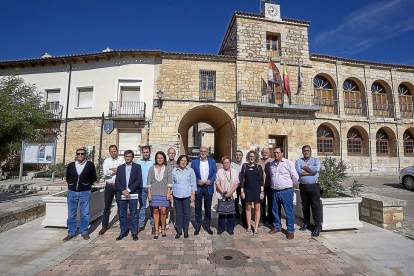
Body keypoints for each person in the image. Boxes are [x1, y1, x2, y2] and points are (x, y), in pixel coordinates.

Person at [63, 148, 97, 241]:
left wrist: (87, 184)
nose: (80, 156)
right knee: (71, 214)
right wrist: (71, 184)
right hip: (72, 192)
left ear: (85, 155)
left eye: (82, 154)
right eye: (78, 154)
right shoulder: (71, 165)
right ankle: (71, 232)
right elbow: (67, 177)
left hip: (85, 192)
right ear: (76, 155)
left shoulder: (90, 165)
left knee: (85, 213)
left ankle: (84, 231)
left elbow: (94, 177)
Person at [267, 146, 299, 239]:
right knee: (275, 210)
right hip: (274, 191)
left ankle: (290, 230)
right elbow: (271, 176)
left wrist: (289, 186)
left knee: (288, 211)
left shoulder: (288, 163)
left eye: (278, 152)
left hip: (286, 191)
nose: (276, 154)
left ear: (282, 153)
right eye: (275, 153)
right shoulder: (271, 164)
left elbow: (295, 177)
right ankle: (277, 226)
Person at [115, 150, 142, 241]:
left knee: (133, 214)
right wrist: (123, 191)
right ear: (124, 157)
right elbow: (117, 181)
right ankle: (123, 231)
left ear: (132, 157)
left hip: (132, 194)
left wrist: (129, 190)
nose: (127, 158)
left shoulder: (137, 167)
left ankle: (134, 232)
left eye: (129, 156)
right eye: (126, 156)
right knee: (122, 214)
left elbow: (138, 180)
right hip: (122, 194)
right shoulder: (120, 168)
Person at [295, 145, 322, 237]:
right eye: (304, 151)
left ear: (310, 151)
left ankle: (317, 227)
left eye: (308, 150)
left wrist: (304, 168)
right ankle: (306, 224)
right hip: (303, 187)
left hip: (314, 187)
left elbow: (317, 169)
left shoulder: (316, 160)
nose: (306, 152)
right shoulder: (299, 161)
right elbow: (298, 172)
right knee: (305, 207)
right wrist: (311, 171)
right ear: (302, 152)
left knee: (315, 207)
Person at [191, 146, 217, 235]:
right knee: (197, 208)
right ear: (199, 153)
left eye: (204, 152)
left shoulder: (212, 161)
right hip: (198, 187)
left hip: (208, 187)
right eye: (201, 151)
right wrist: (197, 180)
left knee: (207, 208)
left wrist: (211, 180)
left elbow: (215, 172)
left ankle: (207, 225)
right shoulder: (194, 162)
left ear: (207, 153)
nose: (203, 153)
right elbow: (192, 174)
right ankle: (197, 226)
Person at [99, 145, 125, 235]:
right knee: (107, 206)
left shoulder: (121, 160)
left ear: (117, 151)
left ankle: (123, 225)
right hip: (109, 186)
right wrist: (116, 170)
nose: (113, 153)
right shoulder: (107, 161)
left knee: (121, 206)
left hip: (119, 186)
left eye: (114, 151)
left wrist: (114, 170)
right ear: (109, 152)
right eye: (111, 151)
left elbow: (122, 171)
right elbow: (106, 172)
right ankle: (104, 226)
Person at [147, 151, 172, 240]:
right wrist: (149, 194)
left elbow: (169, 182)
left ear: (164, 159)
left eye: (161, 158)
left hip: (164, 193)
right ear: (156, 159)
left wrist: (168, 193)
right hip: (154, 193)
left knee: (164, 211)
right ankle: (157, 230)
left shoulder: (168, 168)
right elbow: (149, 183)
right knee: (156, 211)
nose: (160, 159)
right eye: (158, 158)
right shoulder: (151, 168)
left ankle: (163, 228)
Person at [172, 155, 196, 239]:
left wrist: (193, 195)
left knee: (186, 214)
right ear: (179, 161)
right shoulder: (174, 171)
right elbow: (172, 183)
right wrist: (171, 194)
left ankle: (186, 230)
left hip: (186, 195)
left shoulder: (190, 171)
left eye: (185, 161)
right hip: (177, 195)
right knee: (178, 214)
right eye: (182, 160)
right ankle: (179, 231)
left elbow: (193, 183)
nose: (183, 162)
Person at [240, 150, 264, 235]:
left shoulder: (259, 167)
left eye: (253, 156)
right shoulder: (245, 166)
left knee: (257, 208)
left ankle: (256, 228)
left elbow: (261, 180)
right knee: (248, 208)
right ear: (248, 157)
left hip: (257, 191)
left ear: (256, 157)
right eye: (250, 156)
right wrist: (242, 191)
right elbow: (242, 179)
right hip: (247, 190)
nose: (251, 158)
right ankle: (249, 227)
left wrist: (262, 192)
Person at [215, 156, 239, 235]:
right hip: (222, 195)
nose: (226, 164)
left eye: (227, 163)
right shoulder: (220, 171)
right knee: (222, 212)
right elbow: (217, 183)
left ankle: (230, 229)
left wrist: (230, 193)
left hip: (231, 194)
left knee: (231, 213)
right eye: (224, 163)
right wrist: (223, 192)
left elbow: (236, 183)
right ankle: (221, 229)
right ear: (222, 163)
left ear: (230, 163)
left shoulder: (234, 171)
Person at [136, 145, 155, 234]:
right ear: (142, 153)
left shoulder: (153, 162)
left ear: (150, 152)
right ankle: (141, 225)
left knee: (152, 207)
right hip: (141, 187)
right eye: (144, 152)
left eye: (147, 152)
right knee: (142, 207)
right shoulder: (137, 162)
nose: (145, 154)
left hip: (151, 188)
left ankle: (153, 226)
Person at [259, 148, 274, 228]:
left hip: (271, 185)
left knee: (271, 203)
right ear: (261, 153)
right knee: (262, 203)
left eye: (267, 152)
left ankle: (270, 219)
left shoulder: (272, 160)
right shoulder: (258, 161)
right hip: (261, 187)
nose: (265, 153)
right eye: (264, 152)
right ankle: (262, 219)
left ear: (269, 153)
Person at [231, 150, 244, 226]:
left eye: (239, 155)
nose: (238, 156)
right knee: (235, 203)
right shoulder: (232, 165)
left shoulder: (245, 164)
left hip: (243, 187)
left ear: (242, 156)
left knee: (244, 202)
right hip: (235, 186)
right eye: (236, 155)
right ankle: (237, 218)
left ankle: (244, 218)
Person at [166, 147, 177, 229]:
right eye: (170, 153)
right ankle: (166, 221)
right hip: (167, 188)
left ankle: (176, 222)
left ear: (175, 154)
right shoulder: (165, 164)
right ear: (168, 154)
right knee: (167, 205)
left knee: (176, 206)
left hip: (176, 188)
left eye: (173, 153)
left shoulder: (178, 164)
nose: (171, 155)